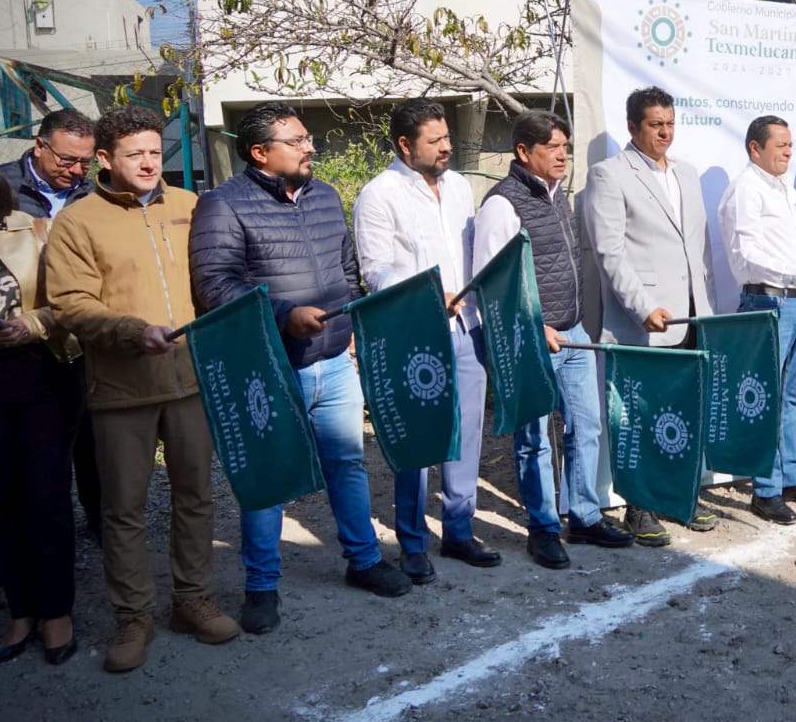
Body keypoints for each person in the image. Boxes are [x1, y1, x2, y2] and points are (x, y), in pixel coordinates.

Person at [191, 103, 410, 637]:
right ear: (260, 152)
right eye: (297, 140)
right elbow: (214, 286)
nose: (310, 147)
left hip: (333, 360)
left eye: (308, 138)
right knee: (270, 476)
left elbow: (348, 267)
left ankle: (363, 562)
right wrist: (283, 316)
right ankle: (261, 586)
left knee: (347, 464)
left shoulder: (325, 195)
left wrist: (351, 316)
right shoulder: (222, 205)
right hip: (271, 367)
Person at [46, 106, 239, 672]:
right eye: (135, 154)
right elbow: (70, 304)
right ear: (104, 160)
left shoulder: (191, 206)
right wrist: (133, 332)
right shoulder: (78, 222)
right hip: (121, 387)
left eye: (156, 151)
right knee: (124, 510)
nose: (150, 162)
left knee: (195, 498)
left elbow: (215, 276)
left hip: (189, 382)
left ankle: (192, 601)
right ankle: (133, 617)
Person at [475, 109, 635, 568]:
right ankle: (543, 528)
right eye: (553, 148)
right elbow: (492, 286)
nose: (564, 156)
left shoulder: (557, 195)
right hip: (532, 341)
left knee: (587, 428)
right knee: (535, 441)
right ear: (524, 152)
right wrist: (533, 327)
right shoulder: (501, 206)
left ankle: (583, 517)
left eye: (566, 147)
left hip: (575, 334)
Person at [353, 98, 501, 584]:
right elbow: (374, 270)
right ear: (404, 144)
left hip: (467, 328)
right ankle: (413, 542)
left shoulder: (459, 187)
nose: (446, 148)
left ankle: (459, 530)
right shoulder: (379, 195)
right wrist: (428, 292)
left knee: (466, 434)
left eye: (447, 139)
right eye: (434, 141)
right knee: (417, 439)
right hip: (415, 334)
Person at [582, 86, 720, 542]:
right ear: (633, 127)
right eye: (655, 124)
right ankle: (639, 508)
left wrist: (708, 309)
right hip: (645, 320)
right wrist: (641, 308)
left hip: (691, 316)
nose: (665, 132)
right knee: (639, 415)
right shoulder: (609, 175)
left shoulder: (688, 173)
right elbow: (610, 252)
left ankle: (679, 495)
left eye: (670, 123)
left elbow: (697, 249)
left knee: (684, 410)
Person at [0, 157, 80, 665]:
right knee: (0, 503)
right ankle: (20, 612)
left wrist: (32, 326)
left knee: (45, 498)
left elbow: (69, 302)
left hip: (41, 377)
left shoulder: (37, 230)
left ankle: (57, 611)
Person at [719, 115, 796, 524]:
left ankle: (790, 477)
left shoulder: (784, 190)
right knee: (767, 400)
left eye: (790, 144)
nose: (789, 151)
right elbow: (745, 257)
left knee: (793, 398)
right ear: (755, 148)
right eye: (781, 144)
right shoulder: (744, 190)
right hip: (767, 304)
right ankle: (765, 490)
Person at [0, 109, 100, 547]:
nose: (75, 171)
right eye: (65, 160)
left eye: (85, 162)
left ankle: (102, 527)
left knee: (94, 448)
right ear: (39, 146)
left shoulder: (96, 195)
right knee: (24, 457)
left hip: (84, 341)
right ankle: (15, 545)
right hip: (16, 345)